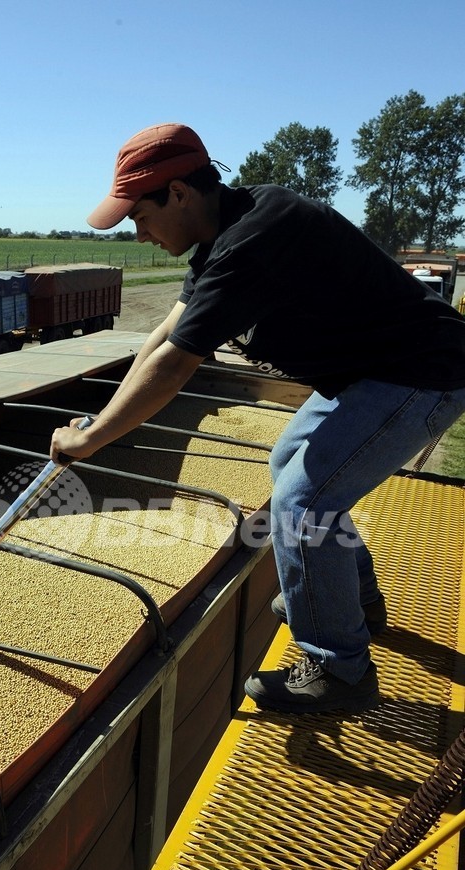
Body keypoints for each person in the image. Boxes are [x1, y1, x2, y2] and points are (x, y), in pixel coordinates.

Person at [50, 122, 465, 715]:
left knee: (304, 503)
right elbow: (166, 333)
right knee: (287, 464)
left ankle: (338, 669)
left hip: (420, 374)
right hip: (365, 377)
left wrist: (91, 440)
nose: (138, 235)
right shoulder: (223, 237)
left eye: (138, 217)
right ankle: (353, 600)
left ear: (179, 194)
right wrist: (101, 420)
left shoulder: (258, 236)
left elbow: (175, 365)